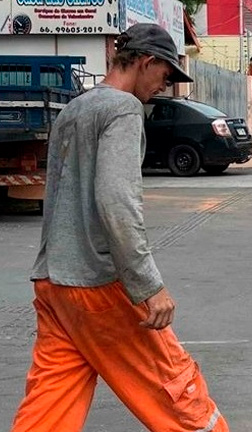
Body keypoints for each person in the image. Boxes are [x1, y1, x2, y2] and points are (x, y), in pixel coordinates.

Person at [10, 23, 229, 432]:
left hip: (54, 284)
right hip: (99, 285)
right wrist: (148, 285)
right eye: (164, 76)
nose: (163, 88)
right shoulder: (123, 109)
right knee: (177, 394)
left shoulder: (74, 109)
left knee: (49, 407)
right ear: (146, 62)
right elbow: (116, 202)